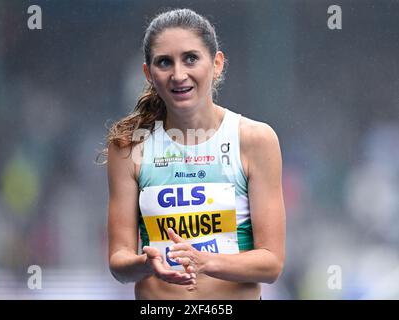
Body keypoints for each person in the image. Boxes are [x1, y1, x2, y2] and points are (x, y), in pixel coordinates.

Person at [105, 8, 285, 300]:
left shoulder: (254, 139)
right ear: (148, 74)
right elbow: (118, 262)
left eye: (191, 58)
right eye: (165, 62)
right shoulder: (128, 146)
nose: (178, 75)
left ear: (216, 64)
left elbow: (271, 263)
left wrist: (205, 261)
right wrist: (145, 264)